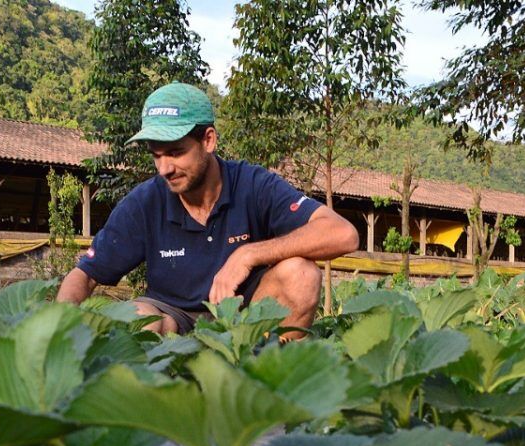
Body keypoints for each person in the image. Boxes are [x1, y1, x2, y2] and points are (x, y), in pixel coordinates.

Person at [55, 83, 360, 337]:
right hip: (173, 318)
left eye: (175, 152)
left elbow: (343, 234)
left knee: (301, 274)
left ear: (208, 140)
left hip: (243, 321)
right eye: (156, 156)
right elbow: (84, 276)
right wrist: (58, 332)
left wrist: (248, 254)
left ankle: (269, 387)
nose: (164, 168)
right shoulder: (144, 203)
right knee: (136, 317)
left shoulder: (252, 185)